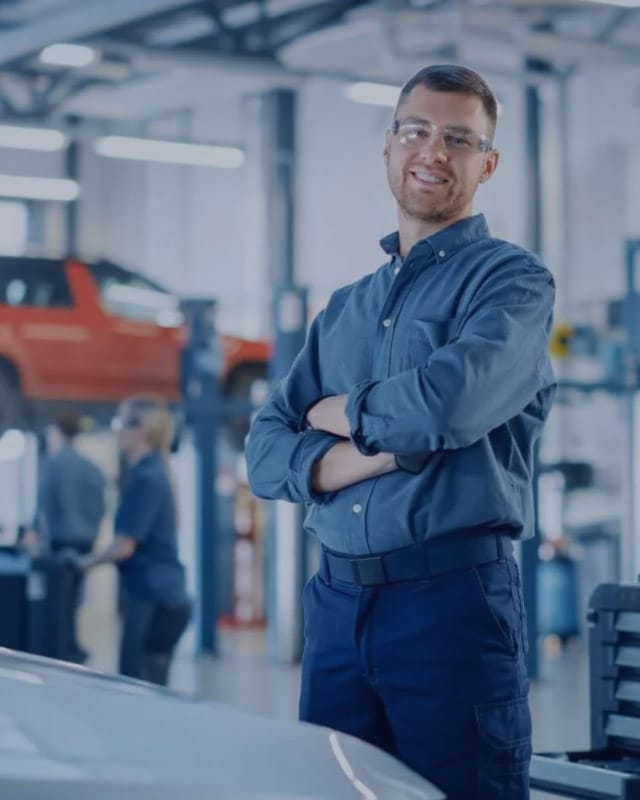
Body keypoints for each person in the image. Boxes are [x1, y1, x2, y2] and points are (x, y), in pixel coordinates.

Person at [245, 64, 556, 799]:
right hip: (335, 607)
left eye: (459, 138)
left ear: (488, 163)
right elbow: (263, 453)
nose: (433, 151)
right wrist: (388, 448)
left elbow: (448, 407)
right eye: (416, 130)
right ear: (389, 144)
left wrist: (342, 416)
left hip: (450, 604)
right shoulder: (346, 309)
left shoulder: (510, 283)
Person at [77, 397, 191, 686]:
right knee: (151, 689)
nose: (115, 431)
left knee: (134, 688)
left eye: (119, 423)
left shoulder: (146, 478)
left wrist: (83, 563)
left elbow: (124, 547)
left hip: (152, 598)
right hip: (165, 596)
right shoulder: (155, 472)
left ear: (140, 431)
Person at [26, 412, 105, 663]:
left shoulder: (53, 463)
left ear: (57, 432)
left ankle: (61, 648)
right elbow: (101, 506)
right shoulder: (92, 468)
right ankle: (71, 646)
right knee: (74, 599)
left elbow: (44, 503)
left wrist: (35, 533)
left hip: (62, 540)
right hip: (86, 540)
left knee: (59, 599)